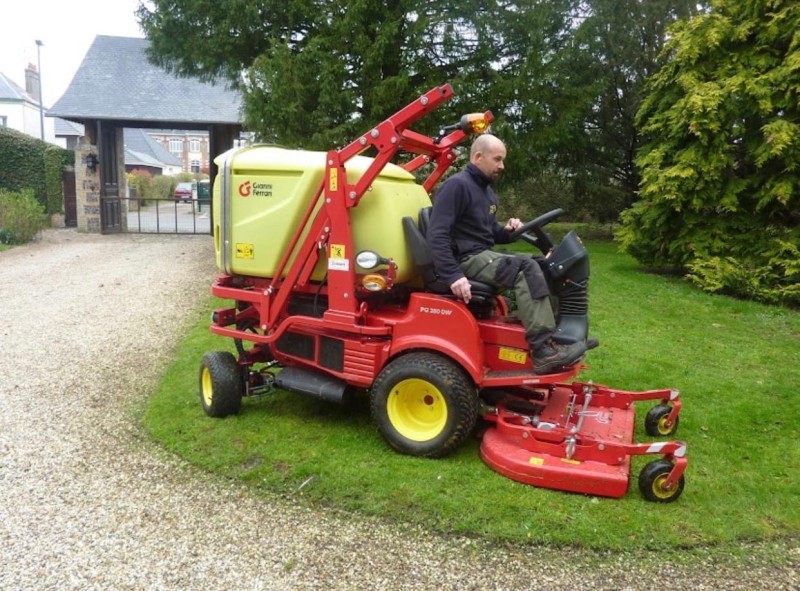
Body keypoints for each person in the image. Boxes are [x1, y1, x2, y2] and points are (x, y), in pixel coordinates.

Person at [426, 133, 586, 375]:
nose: (502, 166)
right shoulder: (456, 186)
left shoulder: (488, 194)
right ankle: (542, 351)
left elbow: (490, 234)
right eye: (498, 159)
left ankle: (554, 336)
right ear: (478, 157)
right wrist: (453, 276)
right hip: (465, 259)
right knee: (524, 267)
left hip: (482, 254)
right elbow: (437, 234)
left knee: (543, 264)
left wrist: (509, 231)